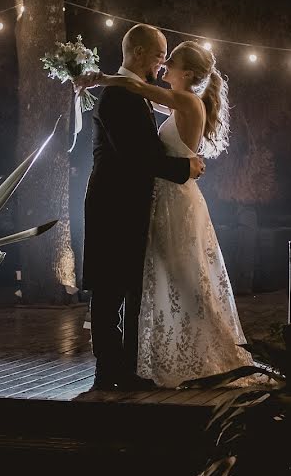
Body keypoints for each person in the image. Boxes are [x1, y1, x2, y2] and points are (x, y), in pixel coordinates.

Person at [77, 40, 261, 388]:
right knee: (165, 278)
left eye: (170, 60)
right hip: (165, 194)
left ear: (187, 73)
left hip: (174, 197)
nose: (164, 65)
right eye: (161, 57)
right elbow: (141, 103)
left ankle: (208, 348)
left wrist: (99, 78)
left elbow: (135, 86)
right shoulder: (175, 103)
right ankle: (145, 358)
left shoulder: (186, 100)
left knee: (184, 277)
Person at [82, 24, 205, 391]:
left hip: (130, 204)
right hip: (113, 206)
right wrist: (185, 168)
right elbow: (138, 157)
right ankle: (110, 371)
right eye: (157, 54)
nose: (161, 62)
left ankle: (126, 368)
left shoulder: (130, 92)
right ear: (138, 52)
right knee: (109, 291)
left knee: (128, 287)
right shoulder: (118, 97)